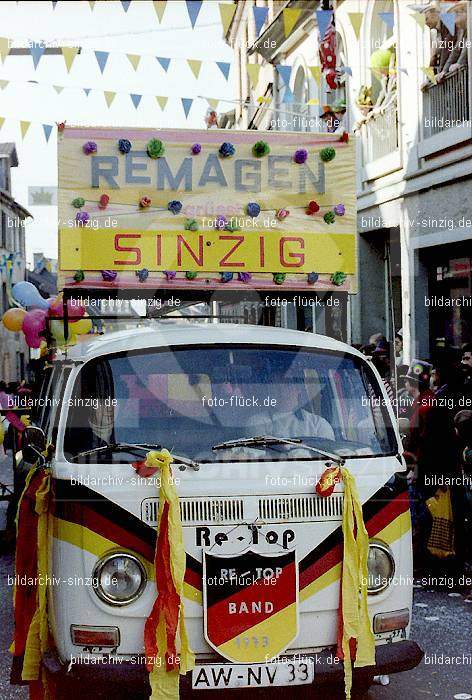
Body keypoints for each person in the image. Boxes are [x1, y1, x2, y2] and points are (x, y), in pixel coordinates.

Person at [437, 1, 468, 82]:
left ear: (463, 12)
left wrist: (459, 63)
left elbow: (467, 47)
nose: (453, 21)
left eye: (455, 15)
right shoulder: (462, 30)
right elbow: (456, 50)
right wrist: (444, 71)